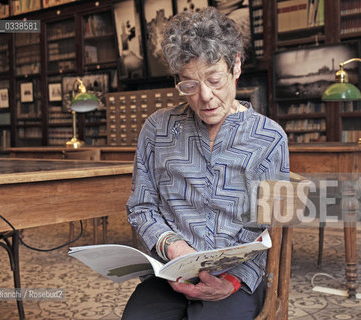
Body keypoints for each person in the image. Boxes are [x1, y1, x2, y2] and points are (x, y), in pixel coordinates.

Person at [122, 7, 290, 320]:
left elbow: (271, 229)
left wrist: (232, 280)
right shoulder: (158, 129)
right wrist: (171, 244)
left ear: (236, 65)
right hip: (171, 272)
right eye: (189, 85)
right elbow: (142, 206)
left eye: (214, 80)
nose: (205, 97)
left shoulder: (269, 138)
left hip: (235, 279)